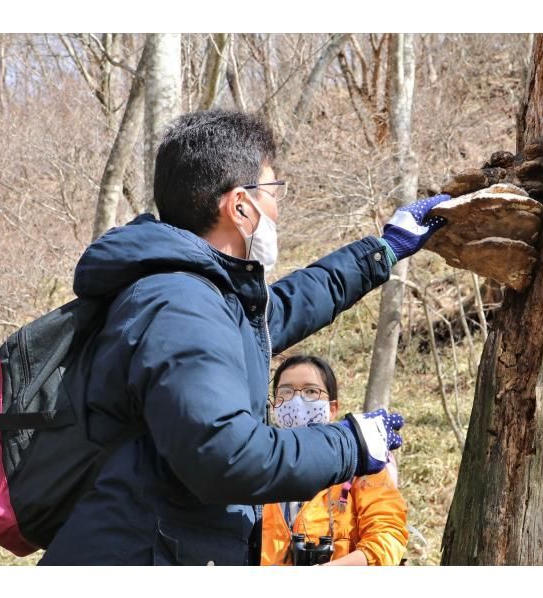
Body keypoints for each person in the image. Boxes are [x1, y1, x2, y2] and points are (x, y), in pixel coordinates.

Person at [39, 109, 444, 565]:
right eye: (272, 192)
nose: (277, 208)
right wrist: (350, 442)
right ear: (239, 206)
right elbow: (225, 456)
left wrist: (383, 250)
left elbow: (283, 309)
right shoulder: (180, 305)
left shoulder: (195, 294)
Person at [262, 355, 408, 566]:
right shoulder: (259, 464)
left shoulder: (363, 462)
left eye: (311, 391)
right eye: (286, 391)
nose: (297, 401)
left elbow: (388, 537)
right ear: (275, 404)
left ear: (332, 408)